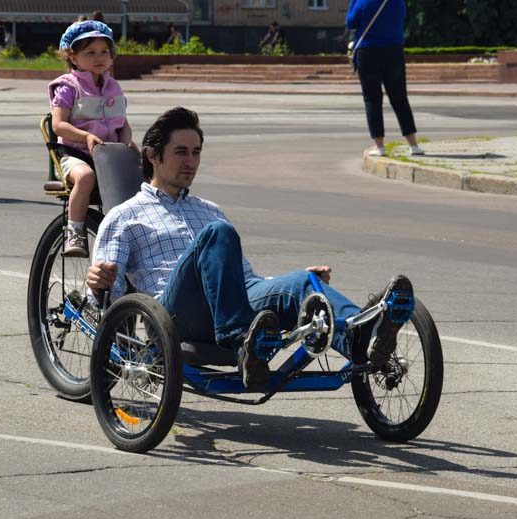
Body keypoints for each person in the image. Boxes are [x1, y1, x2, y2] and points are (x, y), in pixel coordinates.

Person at [86, 107, 413, 391]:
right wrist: (98, 283)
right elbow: (107, 299)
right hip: (176, 315)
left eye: (196, 153)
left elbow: (244, 279)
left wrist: (286, 283)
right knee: (218, 234)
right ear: (152, 156)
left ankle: (362, 337)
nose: (190, 162)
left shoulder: (210, 209)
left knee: (301, 283)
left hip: (233, 304)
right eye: (181, 152)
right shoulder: (124, 216)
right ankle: (243, 343)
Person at [49, 19, 136, 258]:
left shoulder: (113, 87)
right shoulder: (69, 87)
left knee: (144, 178)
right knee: (86, 177)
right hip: (74, 155)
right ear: (73, 57)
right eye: (90, 52)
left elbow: (123, 124)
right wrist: (86, 136)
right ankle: (75, 231)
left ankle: (133, 235)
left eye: (104, 52)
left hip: (108, 155)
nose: (99, 57)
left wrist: (126, 143)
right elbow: (58, 125)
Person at [346, 0, 423, 158]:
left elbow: (351, 23)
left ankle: (379, 146)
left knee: (372, 99)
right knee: (400, 98)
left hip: (367, 51)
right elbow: (401, 18)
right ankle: (413, 145)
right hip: (393, 51)